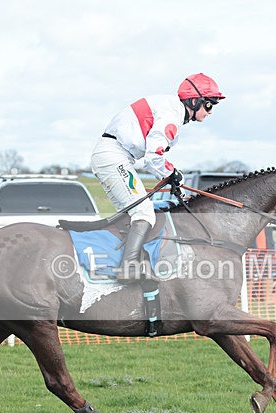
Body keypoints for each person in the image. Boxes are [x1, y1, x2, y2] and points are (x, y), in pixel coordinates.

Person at [91, 73, 225, 282]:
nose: (210, 112)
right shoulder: (172, 114)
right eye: (209, 105)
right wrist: (173, 174)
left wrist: (171, 175)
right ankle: (128, 269)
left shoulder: (172, 109)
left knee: (136, 213)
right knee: (143, 212)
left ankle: (122, 262)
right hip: (113, 157)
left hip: (116, 156)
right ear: (194, 100)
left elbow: (155, 158)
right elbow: (154, 158)